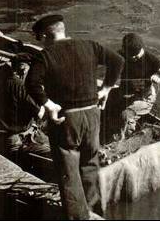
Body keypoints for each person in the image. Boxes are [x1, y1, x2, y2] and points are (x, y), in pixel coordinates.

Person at [26, 14, 124, 221]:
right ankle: (95, 212)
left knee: (68, 172)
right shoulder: (90, 45)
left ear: (45, 35)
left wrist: (49, 105)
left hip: (67, 120)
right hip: (93, 114)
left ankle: (78, 221)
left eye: (40, 37)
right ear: (62, 29)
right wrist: (106, 89)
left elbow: (32, 84)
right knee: (90, 163)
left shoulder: (45, 55)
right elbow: (117, 61)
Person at [0, 45, 48, 157]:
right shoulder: (21, 86)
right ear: (24, 69)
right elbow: (41, 114)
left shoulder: (3, 79)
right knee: (57, 153)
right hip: (15, 140)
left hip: (3, 135)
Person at [117, 32, 160, 136]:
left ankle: (126, 137)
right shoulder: (121, 54)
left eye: (135, 56)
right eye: (129, 56)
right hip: (124, 93)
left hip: (143, 97)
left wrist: (159, 80)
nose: (132, 58)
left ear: (141, 49)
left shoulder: (150, 59)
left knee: (126, 115)